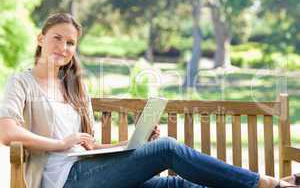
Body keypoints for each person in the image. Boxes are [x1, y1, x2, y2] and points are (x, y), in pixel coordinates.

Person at [0, 13, 297, 188]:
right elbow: (7, 132)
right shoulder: (22, 82)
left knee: (176, 184)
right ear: (40, 38)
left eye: (70, 42)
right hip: (65, 181)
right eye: (57, 38)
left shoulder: (75, 87)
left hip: (93, 172)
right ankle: (267, 184)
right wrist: (60, 143)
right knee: (167, 149)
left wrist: (134, 144)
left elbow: (89, 149)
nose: (64, 47)